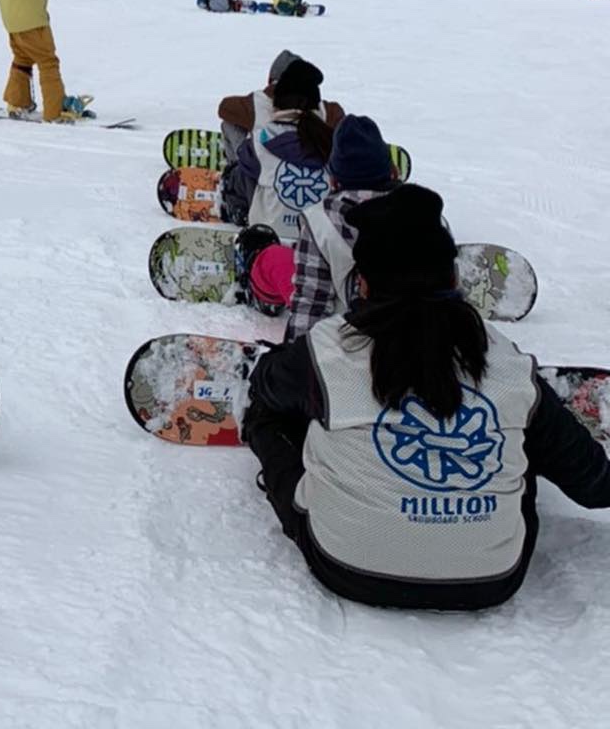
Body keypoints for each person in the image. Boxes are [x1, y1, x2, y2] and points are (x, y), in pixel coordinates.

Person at [243, 184, 610, 611]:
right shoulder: (507, 362)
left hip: (347, 566)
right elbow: (593, 486)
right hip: (490, 577)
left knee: (269, 415)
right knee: (523, 435)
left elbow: (264, 387)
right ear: (454, 277)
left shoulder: (326, 351)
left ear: (361, 282)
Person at [277, 115, 404, 337]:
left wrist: (295, 359)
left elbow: (311, 302)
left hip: (354, 346)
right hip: (425, 344)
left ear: (334, 179)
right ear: (392, 171)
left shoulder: (319, 221)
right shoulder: (427, 213)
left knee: (276, 259)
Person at [222, 58, 334, 234]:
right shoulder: (331, 143)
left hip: (269, 235)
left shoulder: (260, 142)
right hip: (317, 238)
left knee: (242, 174)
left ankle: (238, 210)